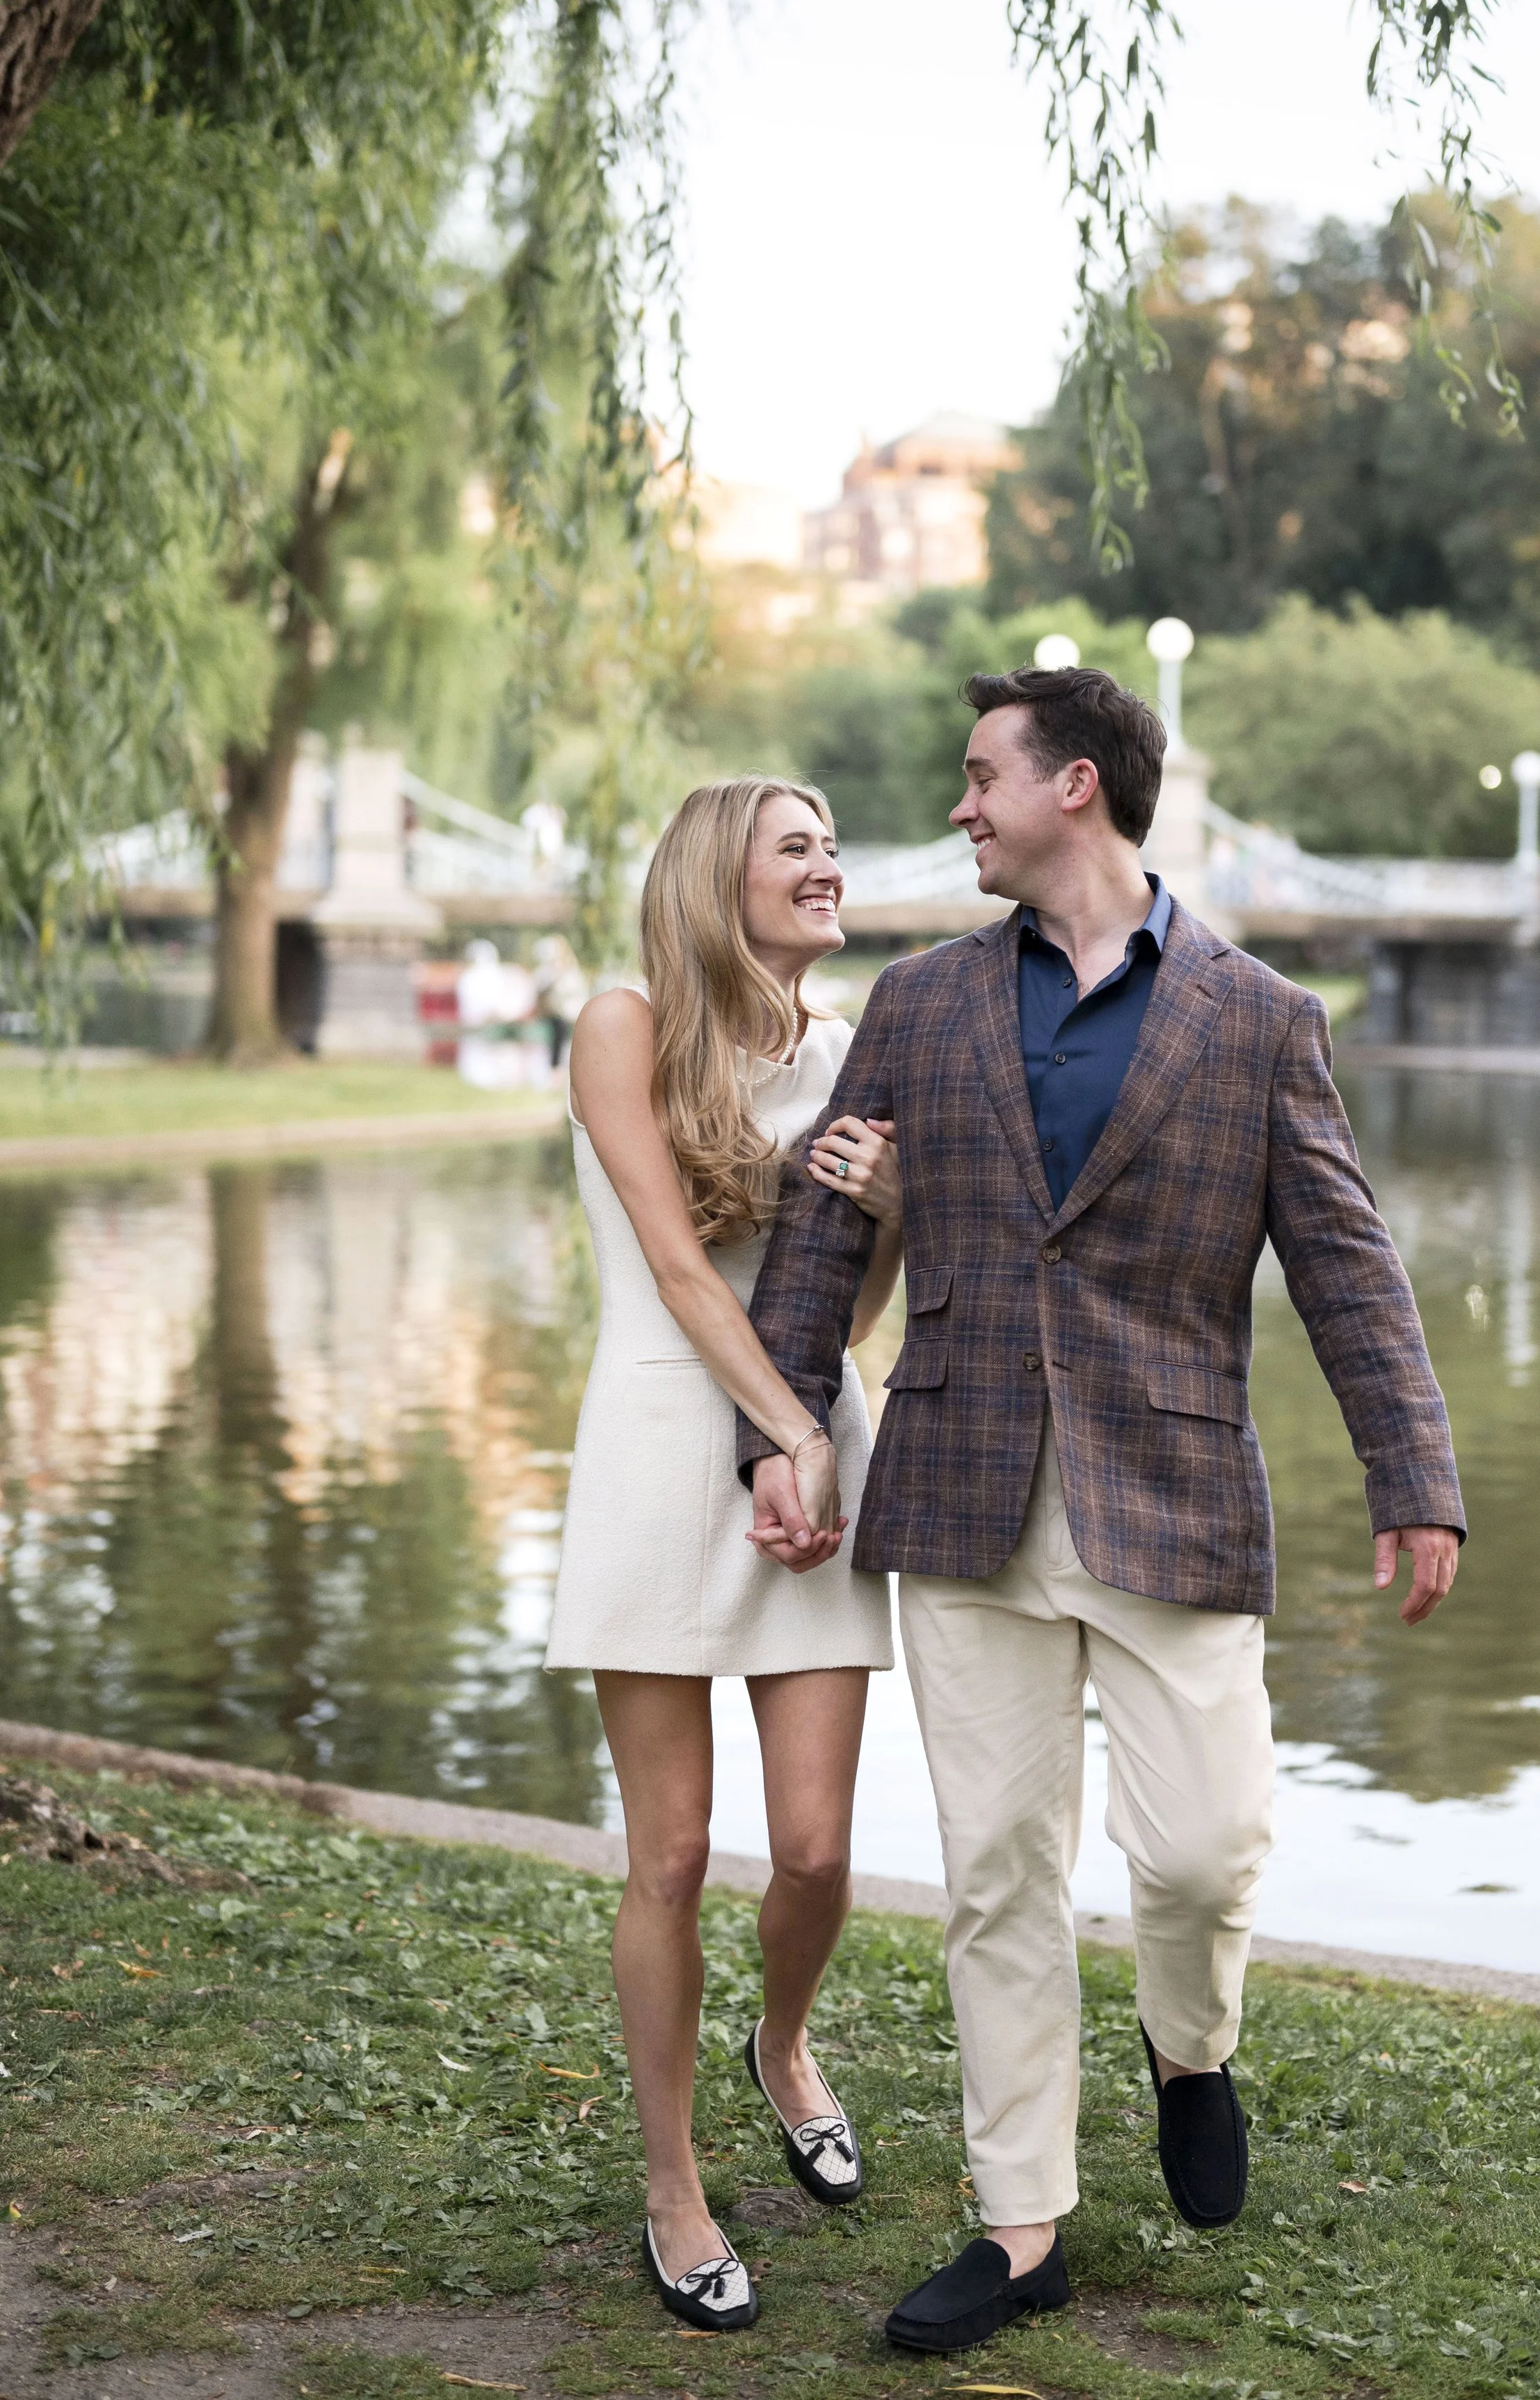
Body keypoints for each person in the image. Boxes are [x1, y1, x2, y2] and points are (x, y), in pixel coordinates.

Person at [738, 667, 1464, 2355]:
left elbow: (1348, 1270)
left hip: (1176, 1488)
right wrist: (774, 1431)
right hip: (963, 1487)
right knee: (997, 1870)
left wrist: (1412, 1476)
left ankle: (1189, 2046)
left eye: (976, 776)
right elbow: (823, 1240)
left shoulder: (1256, 1018)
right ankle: (1019, 2227)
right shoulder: (917, 1005)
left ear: (1074, 785)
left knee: (1203, 1855)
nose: (954, 807)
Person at [545, 776, 902, 2334]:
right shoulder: (619, 1026)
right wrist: (792, 1430)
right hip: (657, 1448)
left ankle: (783, 2044)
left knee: (816, 1849)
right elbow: (685, 1272)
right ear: (717, 878)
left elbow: (849, 1304)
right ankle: (673, 2183)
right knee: (671, 1857)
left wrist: (889, 1217)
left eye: (832, 847)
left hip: (809, 1451)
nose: (828, 867)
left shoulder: (851, 1059)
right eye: (795, 847)